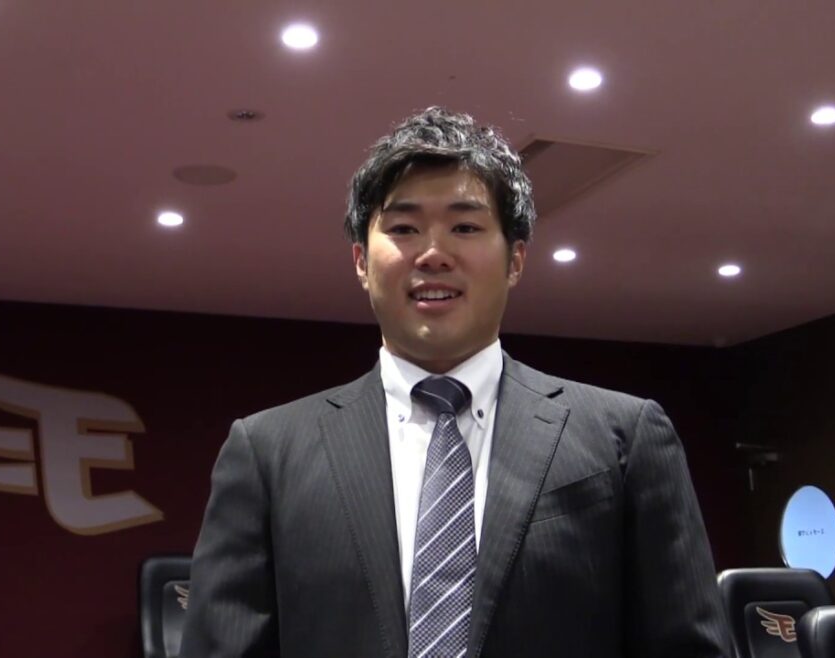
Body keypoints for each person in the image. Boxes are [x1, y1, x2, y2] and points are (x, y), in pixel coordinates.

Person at [181, 107, 731, 657]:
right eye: (403, 228)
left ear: (516, 260)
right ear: (361, 262)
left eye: (465, 227)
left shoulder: (624, 437)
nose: (433, 255)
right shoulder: (268, 453)